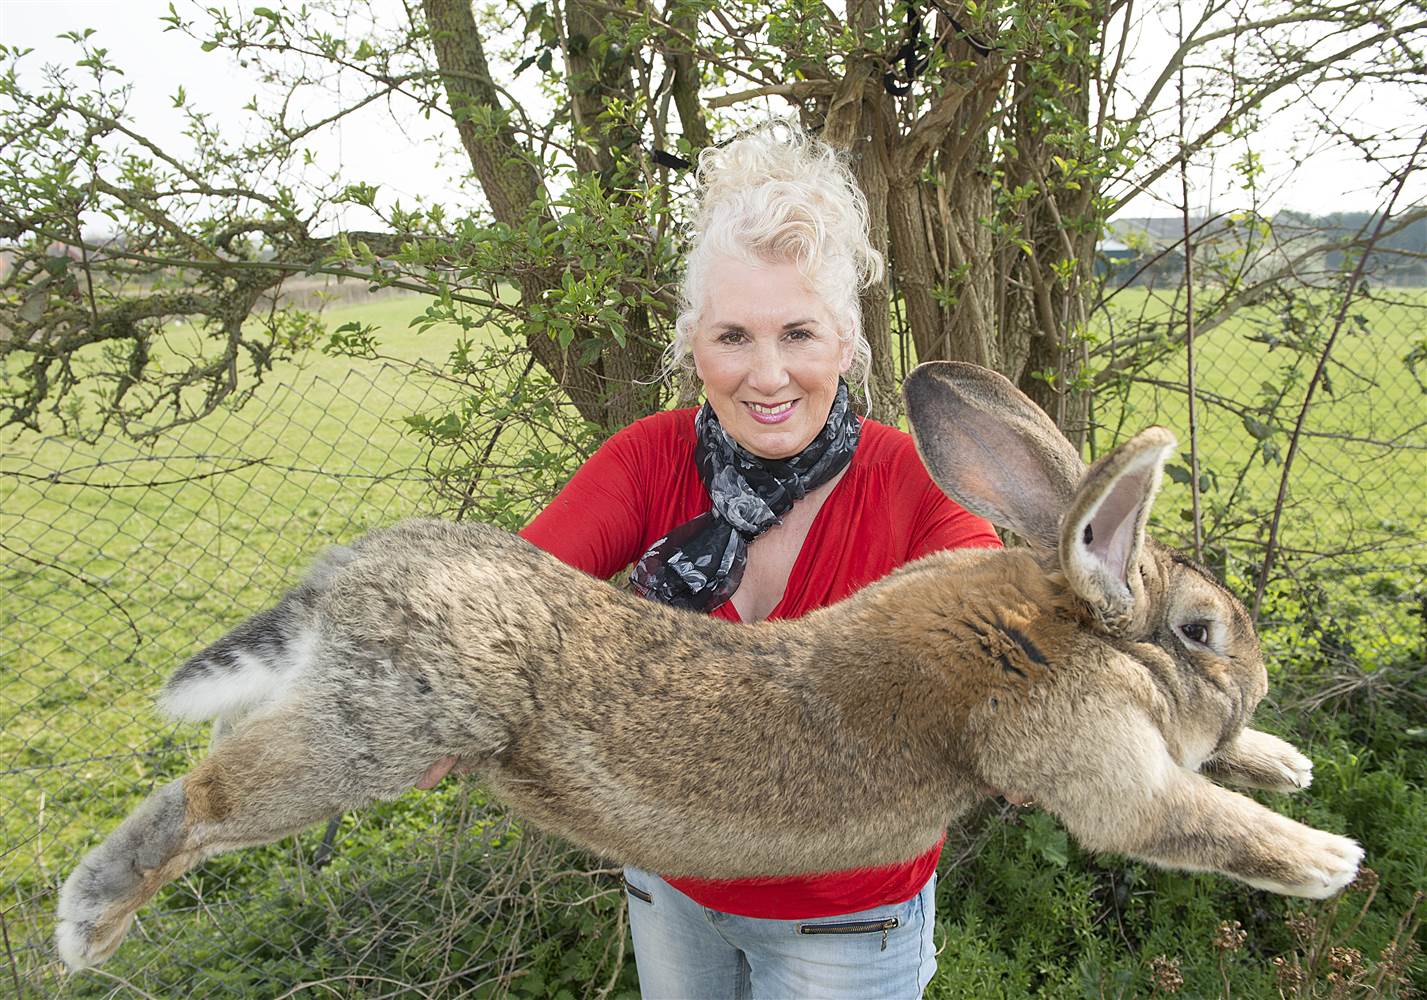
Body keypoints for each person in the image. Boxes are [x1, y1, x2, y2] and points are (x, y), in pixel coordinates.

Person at [420, 121, 1000, 997]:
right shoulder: (647, 461)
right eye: (733, 336)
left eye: (798, 334)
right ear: (694, 346)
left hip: (844, 923)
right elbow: (499, 603)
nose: (766, 375)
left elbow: (995, 649)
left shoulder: (917, 485)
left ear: (845, 342)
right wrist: (431, 694)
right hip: (671, 886)